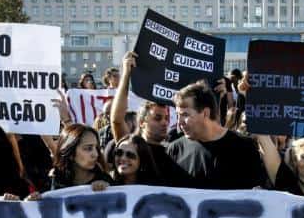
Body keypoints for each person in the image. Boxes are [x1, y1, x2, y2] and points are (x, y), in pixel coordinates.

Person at [167, 81, 265, 189]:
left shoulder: (245, 147)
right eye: (177, 115)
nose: (179, 122)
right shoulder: (175, 151)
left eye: (185, 114)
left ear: (205, 113)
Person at [111, 51, 181, 184]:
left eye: (166, 118)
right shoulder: (130, 146)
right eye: (157, 118)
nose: (164, 123)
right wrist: (126, 74)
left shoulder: (174, 152)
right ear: (142, 122)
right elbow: (117, 120)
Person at [46, 123, 112, 191]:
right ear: (70, 153)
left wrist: (107, 189)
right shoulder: (54, 180)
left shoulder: (105, 180)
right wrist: (36, 198)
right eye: (88, 148)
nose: (96, 154)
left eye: (96, 148)